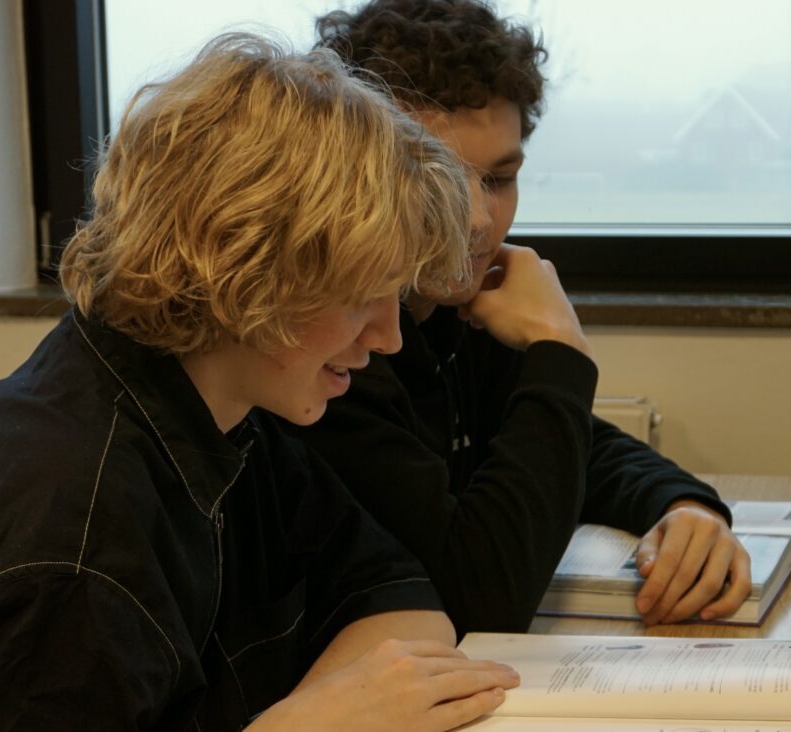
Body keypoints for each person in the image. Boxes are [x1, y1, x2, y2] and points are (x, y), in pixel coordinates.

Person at [0, 33, 519, 730]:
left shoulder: (227, 408)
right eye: (362, 298)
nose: (388, 338)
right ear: (250, 273)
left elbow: (396, 593)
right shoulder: (73, 549)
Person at [303, 0, 753, 634]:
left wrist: (684, 505)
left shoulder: (450, 315)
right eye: (437, 179)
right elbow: (482, 599)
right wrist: (558, 347)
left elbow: (574, 448)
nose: (480, 220)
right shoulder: (333, 351)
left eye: (498, 178)